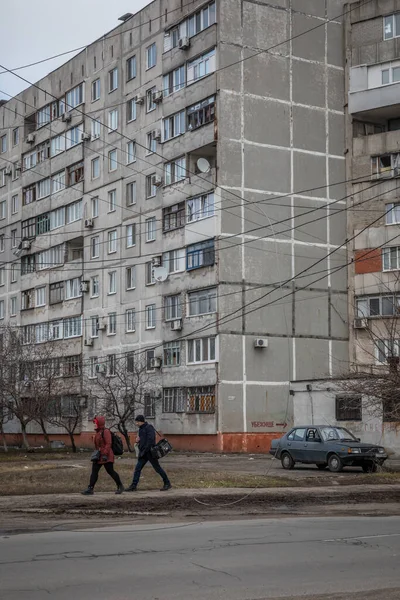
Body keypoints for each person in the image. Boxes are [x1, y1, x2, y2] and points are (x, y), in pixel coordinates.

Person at [126, 415, 171, 492]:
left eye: (137, 422)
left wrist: (145, 450)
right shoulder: (140, 429)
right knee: (137, 469)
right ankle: (133, 486)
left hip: (150, 453)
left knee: (157, 468)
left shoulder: (149, 428)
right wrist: (138, 442)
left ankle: (167, 483)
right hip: (143, 453)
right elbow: (143, 441)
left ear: (141, 421)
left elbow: (150, 441)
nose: (136, 423)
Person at [81, 416, 124, 495]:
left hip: (106, 455)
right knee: (94, 471)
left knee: (110, 471)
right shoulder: (98, 432)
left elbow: (108, 444)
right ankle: (90, 488)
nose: (94, 425)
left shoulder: (106, 431)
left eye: (95, 423)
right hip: (99, 456)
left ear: (99, 423)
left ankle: (120, 485)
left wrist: (104, 454)